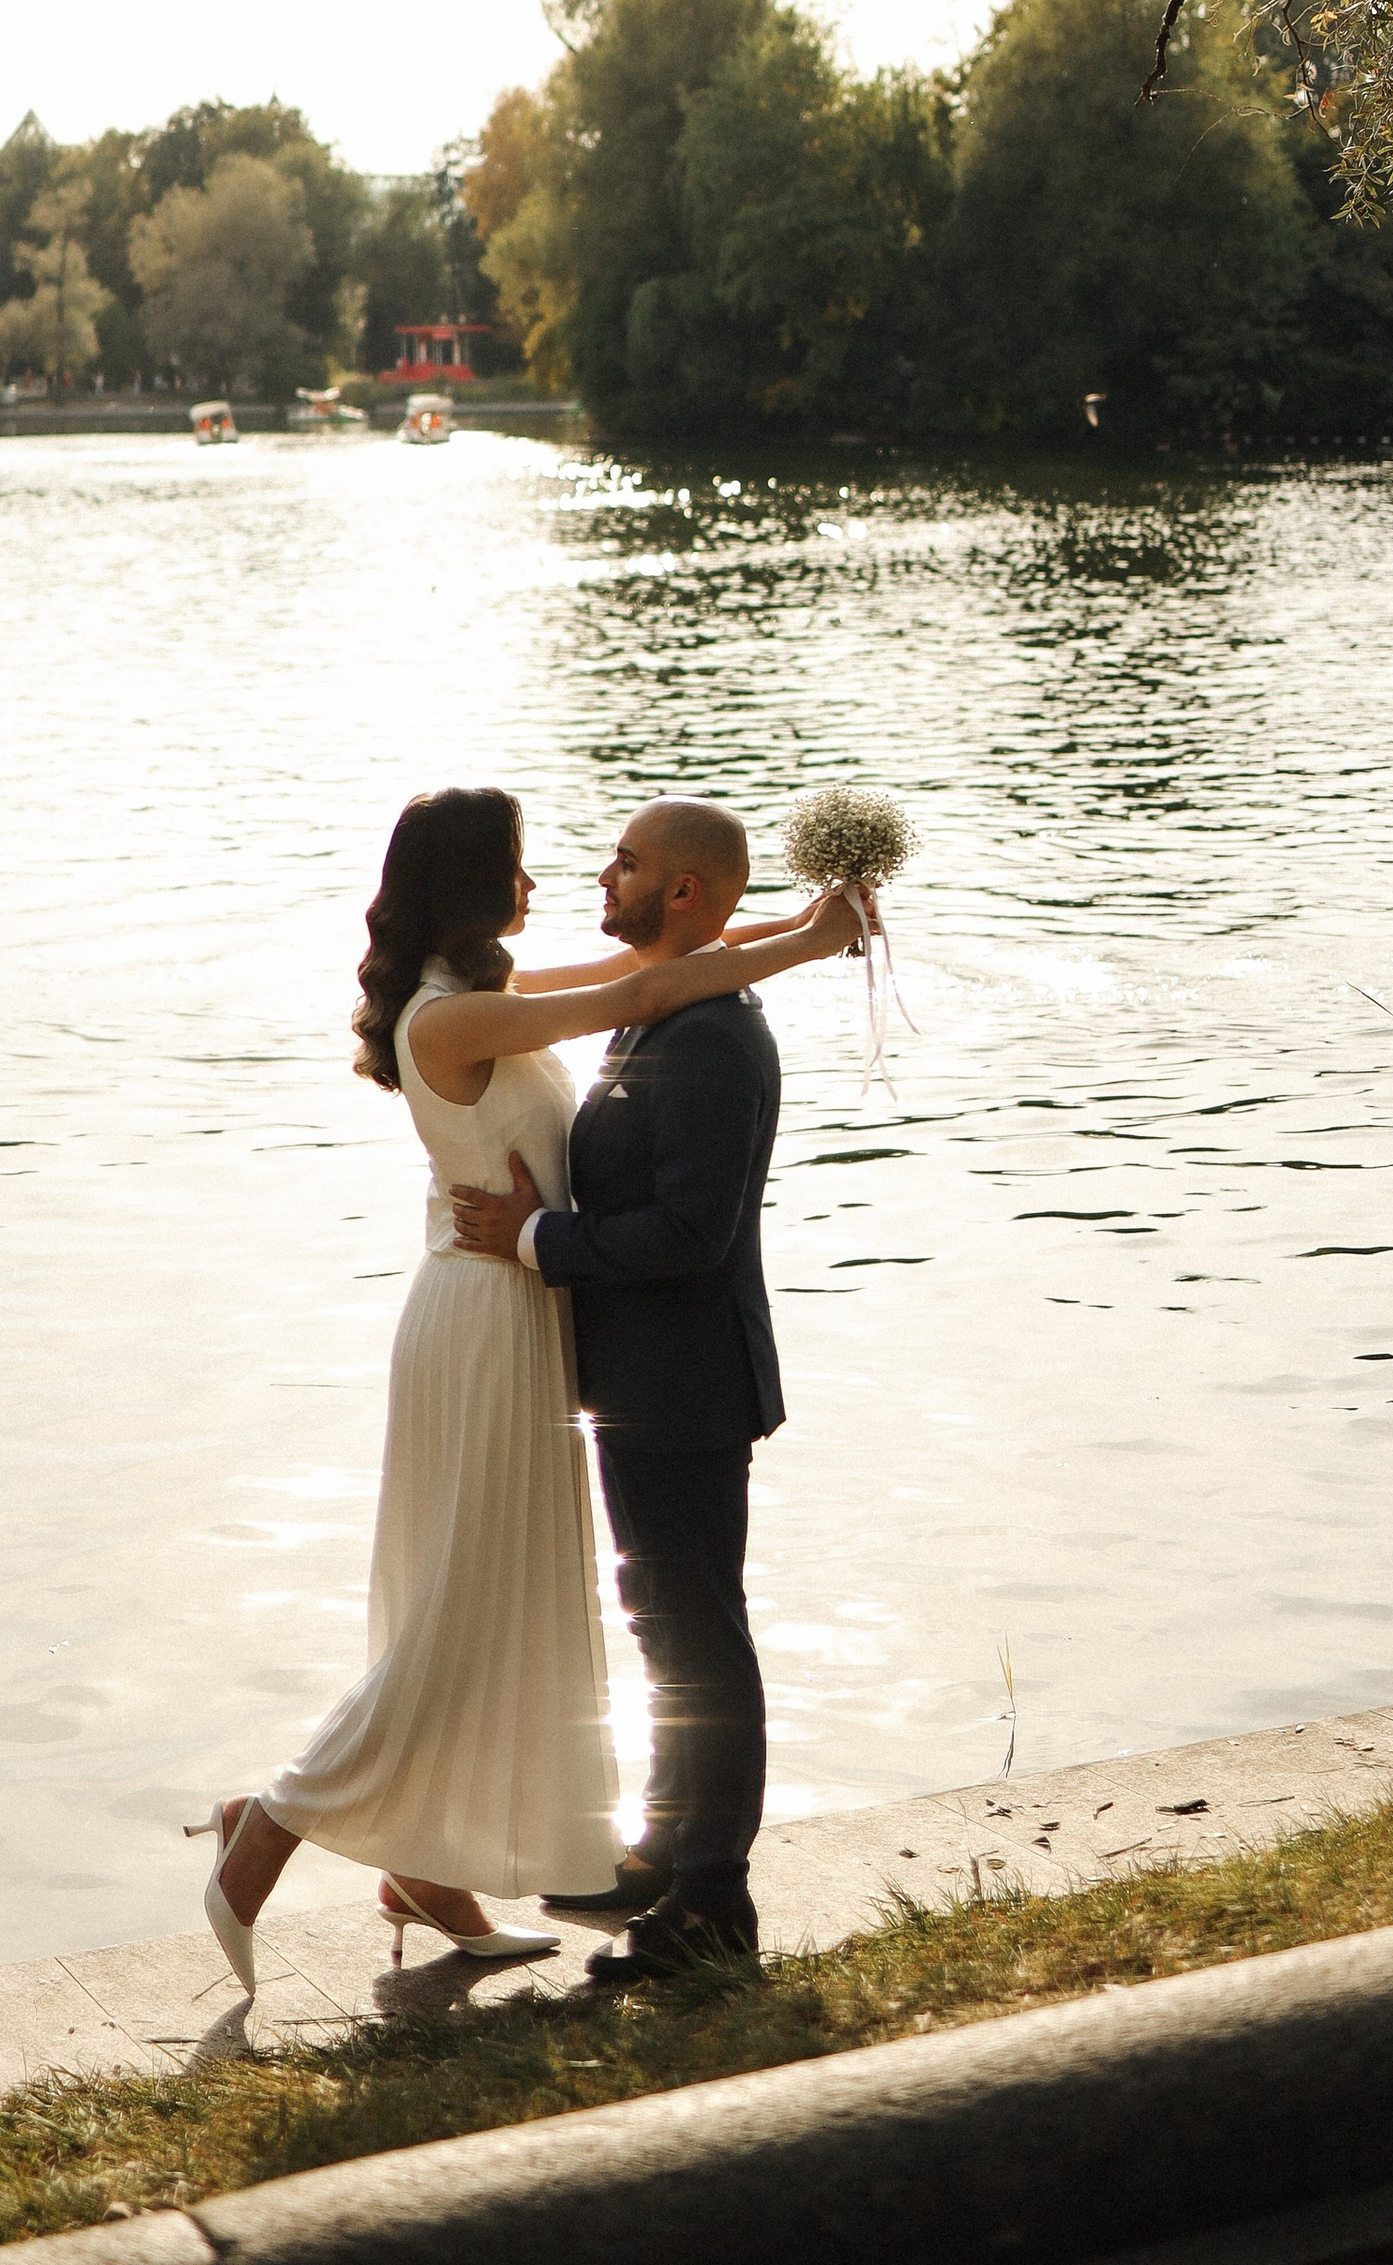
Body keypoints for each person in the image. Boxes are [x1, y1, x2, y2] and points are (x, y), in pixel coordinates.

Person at [192, 788, 852, 1997]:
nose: (546, 883)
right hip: (487, 1321)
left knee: (484, 1605)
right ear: (468, 883)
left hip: (523, 1316)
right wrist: (812, 941)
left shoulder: (482, 994)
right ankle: (272, 1818)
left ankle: (427, 1868)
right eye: (519, 865)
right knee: (461, 1609)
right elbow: (649, 986)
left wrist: (797, 924)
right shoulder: (459, 1019)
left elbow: (657, 968)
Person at [450, 798, 801, 1984]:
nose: (605, 876)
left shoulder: (708, 1038)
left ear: (684, 891)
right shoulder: (666, 1007)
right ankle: (664, 1849)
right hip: (645, 1379)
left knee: (700, 1635)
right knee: (663, 1620)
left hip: (687, 1380)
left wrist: (533, 1238)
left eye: (627, 863)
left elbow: (691, 1233)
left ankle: (714, 1904)